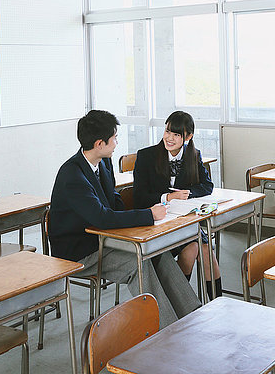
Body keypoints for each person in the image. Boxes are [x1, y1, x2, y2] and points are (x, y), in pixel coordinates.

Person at [49, 109, 201, 327]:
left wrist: (134, 222)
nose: (117, 142)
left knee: (157, 253)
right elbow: (102, 217)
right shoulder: (72, 175)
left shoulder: (103, 162)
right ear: (100, 143)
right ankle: (167, 329)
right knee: (138, 263)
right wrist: (148, 215)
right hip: (81, 250)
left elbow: (113, 199)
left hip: (106, 238)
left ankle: (192, 316)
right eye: (114, 138)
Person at [133, 110, 222, 299]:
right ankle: (181, 302)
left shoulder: (192, 154)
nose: (169, 138)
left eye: (176, 134)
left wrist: (189, 193)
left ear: (188, 136)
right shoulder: (146, 156)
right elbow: (139, 197)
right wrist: (167, 198)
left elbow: (207, 185)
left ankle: (214, 302)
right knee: (197, 247)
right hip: (157, 224)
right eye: (167, 132)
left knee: (200, 249)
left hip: (183, 220)